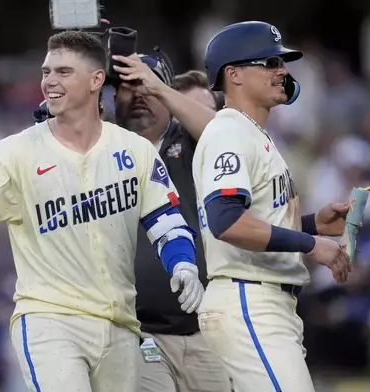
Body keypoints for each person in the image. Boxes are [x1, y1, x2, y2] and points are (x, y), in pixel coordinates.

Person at [0, 30, 203, 392]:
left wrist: (182, 263)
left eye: (63, 72)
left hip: (120, 323)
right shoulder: (15, 151)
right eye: (46, 71)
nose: (49, 81)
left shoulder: (134, 149)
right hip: (50, 319)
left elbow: (165, 221)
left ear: (96, 80)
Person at [193, 21, 352, 391]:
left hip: (266, 301)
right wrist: (312, 245)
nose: (281, 71)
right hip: (249, 299)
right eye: (268, 63)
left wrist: (313, 224)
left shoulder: (252, 132)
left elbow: (256, 218)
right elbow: (227, 221)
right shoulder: (229, 132)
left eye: (280, 63)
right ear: (233, 74)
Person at [112, 54, 229, 391]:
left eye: (144, 86)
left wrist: (160, 89)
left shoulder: (192, 140)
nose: (137, 96)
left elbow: (228, 134)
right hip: (136, 330)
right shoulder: (104, 145)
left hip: (206, 327)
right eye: (125, 88)